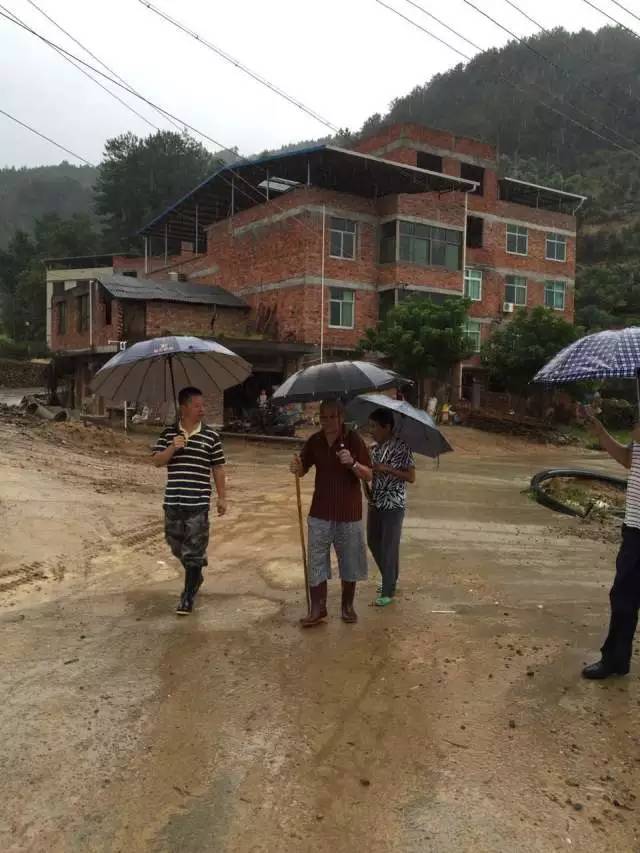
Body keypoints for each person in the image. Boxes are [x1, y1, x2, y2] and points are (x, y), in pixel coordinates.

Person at [290, 400, 372, 627]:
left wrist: (353, 463)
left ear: (341, 417)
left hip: (349, 512)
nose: (327, 422)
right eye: (323, 417)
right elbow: (303, 467)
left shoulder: (354, 439)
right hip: (320, 511)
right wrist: (297, 467)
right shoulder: (315, 441)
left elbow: (369, 474)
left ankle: (347, 606)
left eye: (332, 417)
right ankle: (318, 608)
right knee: (316, 560)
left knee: (350, 562)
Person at [152, 386, 227, 615]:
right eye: (197, 406)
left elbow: (218, 467)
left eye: (202, 405)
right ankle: (196, 574)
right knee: (176, 545)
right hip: (173, 501)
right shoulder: (169, 434)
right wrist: (173, 447)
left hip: (198, 503)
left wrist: (222, 498)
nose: (202, 410)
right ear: (183, 408)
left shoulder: (211, 436)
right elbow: (157, 461)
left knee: (193, 550)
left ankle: (187, 595)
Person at [581, 404, 640, 678]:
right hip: (635, 528)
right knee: (623, 597)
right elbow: (629, 459)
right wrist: (601, 432)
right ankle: (616, 659)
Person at [366, 408, 416, 606]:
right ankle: (391, 578)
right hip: (375, 502)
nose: (371, 431)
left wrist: (386, 468)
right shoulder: (375, 448)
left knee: (389, 546)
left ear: (386, 427)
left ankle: (388, 589)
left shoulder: (402, 447)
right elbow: (369, 473)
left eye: (374, 427)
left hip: (394, 504)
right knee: (372, 541)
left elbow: (411, 477)